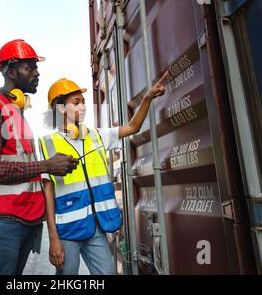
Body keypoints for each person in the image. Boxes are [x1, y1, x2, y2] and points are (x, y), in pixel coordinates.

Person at [0, 40, 79, 275]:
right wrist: (47, 165)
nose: (37, 73)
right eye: (30, 68)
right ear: (11, 70)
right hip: (3, 223)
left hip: (25, 221)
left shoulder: (16, 113)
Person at [39, 73, 168, 275]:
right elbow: (47, 193)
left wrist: (147, 98)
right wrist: (53, 237)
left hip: (96, 228)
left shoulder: (97, 136)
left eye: (83, 102)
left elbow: (133, 127)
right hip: (68, 231)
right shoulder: (48, 143)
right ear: (60, 108)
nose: (82, 107)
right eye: (76, 102)